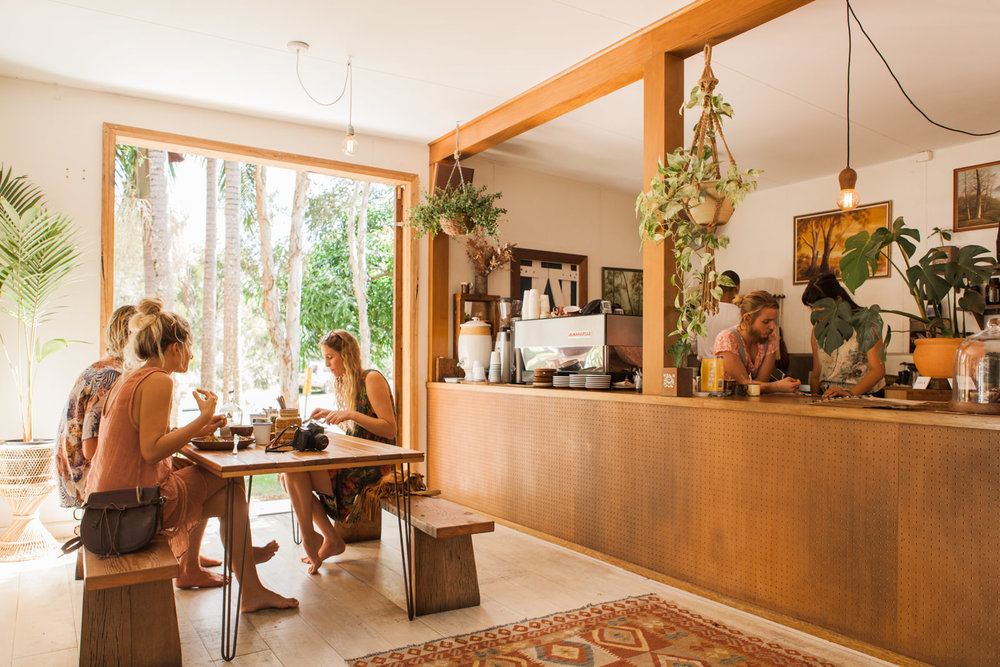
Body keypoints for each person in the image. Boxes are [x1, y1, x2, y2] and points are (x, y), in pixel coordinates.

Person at [85, 299, 297, 610]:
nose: (191, 354)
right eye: (188, 345)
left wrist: (196, 430)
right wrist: (201, 419)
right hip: (129, 510)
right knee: (231, 488)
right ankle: (245, 568)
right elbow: (151, 450)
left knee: (230, 489)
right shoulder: (159, 380)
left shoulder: (131, 377)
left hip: (107, 504)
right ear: (173, 347)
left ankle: (242, 568)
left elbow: (146, 442)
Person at [284, 329, 397, 574]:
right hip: (357, 458)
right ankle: (325, 538)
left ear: (346, 354)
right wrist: (330, 414)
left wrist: (350, 414)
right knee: (288, 476)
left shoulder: (371, 378)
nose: (326, 364)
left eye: (330, 357)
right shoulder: (349, 383)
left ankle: (316, 538)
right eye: (325, 358)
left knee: (293, 474)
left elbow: (390, 429)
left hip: (375, 465)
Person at [55, 304, 136, 508]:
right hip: (84, 476)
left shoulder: (100, 367)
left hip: (69, 469)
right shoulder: (111, 377)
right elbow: (91, 449)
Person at [801, 273, 886, 398]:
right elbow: (816, 373)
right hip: (828, 398)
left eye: (821, 307)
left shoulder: (866, 323)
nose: (816, 313)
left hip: (863, 397)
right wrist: (814, 400)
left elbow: (877, 371)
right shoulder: (818, 329)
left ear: (838, 300)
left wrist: (849, 393)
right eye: (812, 308)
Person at [713, 290, 801, 393]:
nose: (772, 327)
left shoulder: (770, 338)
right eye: (766, 321)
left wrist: (773, 386)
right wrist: (777, 386)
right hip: (725, 403)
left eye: (774, 321)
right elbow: (745, 384)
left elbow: (760, 384)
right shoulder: (727, 339)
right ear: (747, 319)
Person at [696, 270, 741, 359]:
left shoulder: (701, 311)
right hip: (727, 367)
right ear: (737, 287)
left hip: (704, 366)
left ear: (719, 286)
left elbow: (692, 343)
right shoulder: (739, 314)